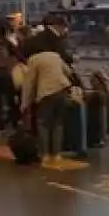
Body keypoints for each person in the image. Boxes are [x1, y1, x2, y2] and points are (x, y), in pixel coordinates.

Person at [21, 30, 75, 165]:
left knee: (43, 123)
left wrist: (24, 103)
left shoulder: (34, 59)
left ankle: (45, 154)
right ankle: (57, 154)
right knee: (57, 124)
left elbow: (29, 83)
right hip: (62, 90)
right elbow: (68, 72)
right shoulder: (55, 56)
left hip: (46, 93)